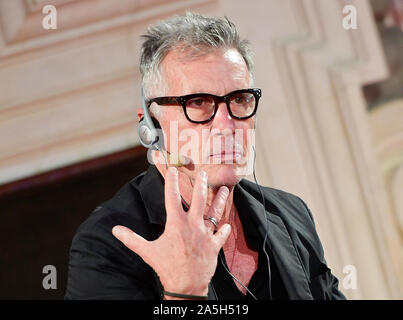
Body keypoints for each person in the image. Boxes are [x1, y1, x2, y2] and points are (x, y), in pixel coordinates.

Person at [65, 12, 346, 300]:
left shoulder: (290, 213)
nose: (227, 126)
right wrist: (183, 293)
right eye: (198, 102)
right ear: (151, 125)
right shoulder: (104, 245)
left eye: (239, 99)